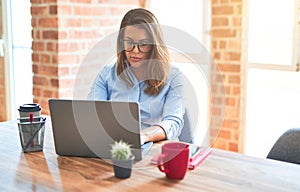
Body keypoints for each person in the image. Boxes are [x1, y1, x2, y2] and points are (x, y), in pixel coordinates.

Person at [88, 8, 185, 144]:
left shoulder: (173, 77)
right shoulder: (106, 75)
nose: (135, 51)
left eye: (143, 44)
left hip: (155, 150)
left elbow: (172, 122)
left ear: (154, 45)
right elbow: (92, 113)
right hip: (116, 148)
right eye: (129, 42)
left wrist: (144, 136)